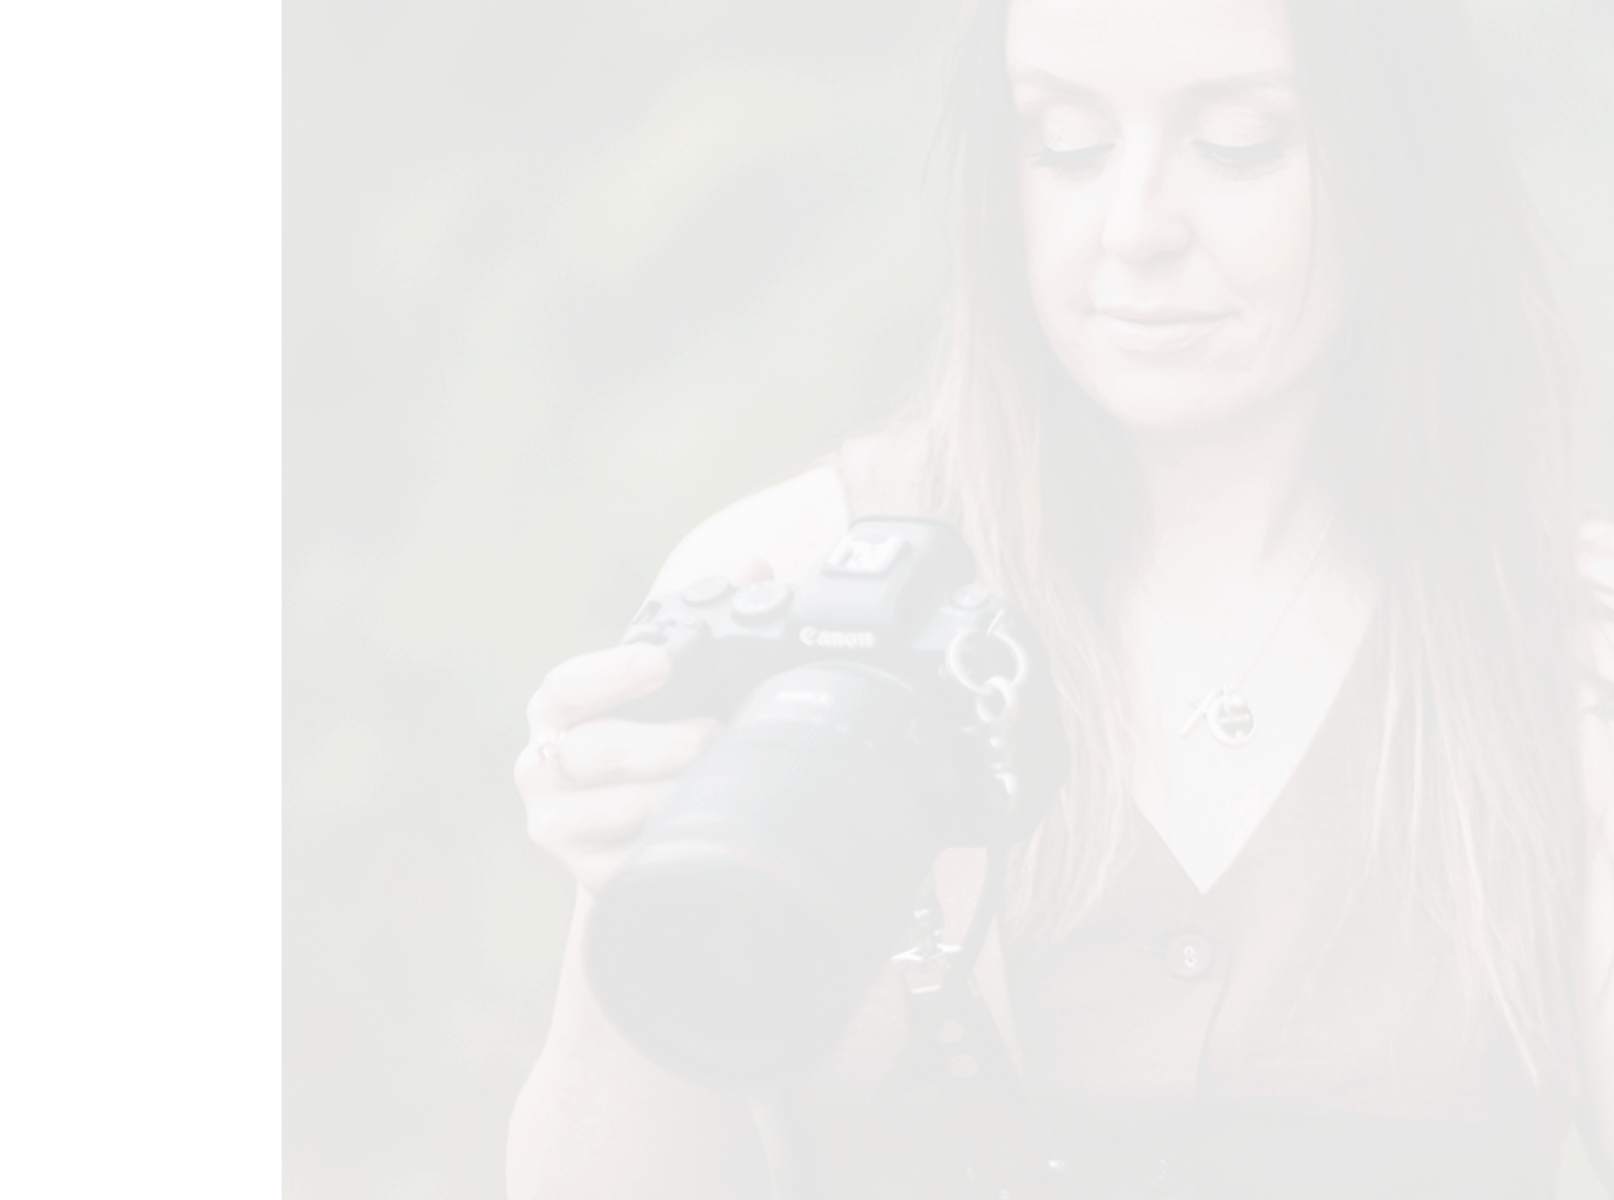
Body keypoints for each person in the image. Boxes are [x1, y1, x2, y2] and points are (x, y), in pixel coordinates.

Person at [507, 0, 1614, 1194]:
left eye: (1240, 142)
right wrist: (635, 899)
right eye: (1066, 145)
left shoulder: (1573, 641)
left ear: (1401, 154)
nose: (1132, 226)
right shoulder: (787, 572)